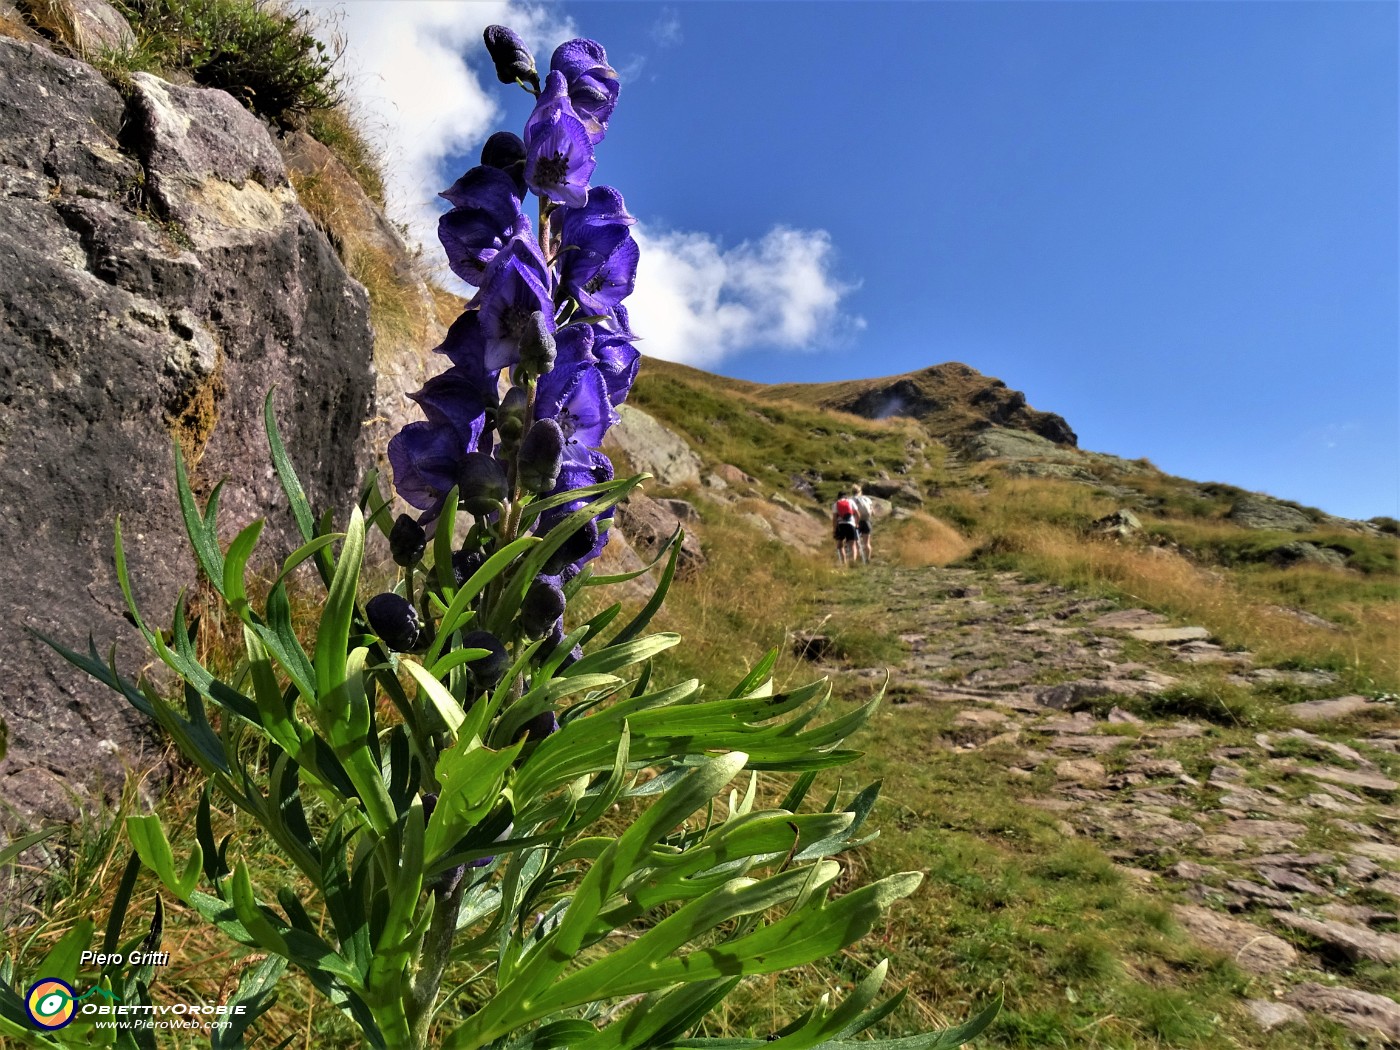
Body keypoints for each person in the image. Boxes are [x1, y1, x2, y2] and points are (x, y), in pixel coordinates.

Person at [831, 490, 859, 567]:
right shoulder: (851, 501)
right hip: (851, 524)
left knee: (840, 545)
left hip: (841, 525)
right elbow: (857, 514)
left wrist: (834, 529)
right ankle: (853, 562)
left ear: (838, 497)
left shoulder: (836, 504)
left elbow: (834, 519)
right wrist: (856, 524)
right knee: (853, 545)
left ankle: (844, 562)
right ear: (846, 496)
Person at [852, 484, 874, 565]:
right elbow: (872, 511)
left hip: (856, 522)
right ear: (860, 491)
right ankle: (868, 559)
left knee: (856, 542)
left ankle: (858, 559)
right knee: (867, 543)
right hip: (866, 521)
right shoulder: (867, 499)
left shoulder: (851, 500)